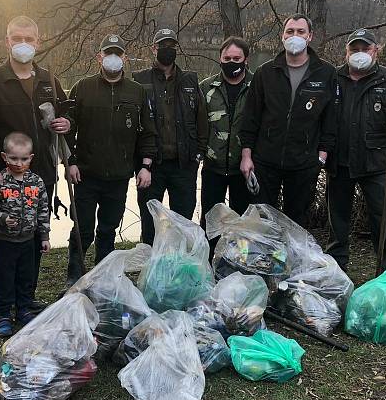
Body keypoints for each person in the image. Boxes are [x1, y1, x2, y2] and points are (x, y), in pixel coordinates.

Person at [0, 15, 70, 330]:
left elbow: (66, 111)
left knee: (35, 235)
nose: (23, 44)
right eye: (17, 38)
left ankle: (24, 299)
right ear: (7, 41)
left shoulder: (49, 80)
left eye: (29, 39)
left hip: (40, 175)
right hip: (5, 175)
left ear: (38, 42)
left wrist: (66, 122)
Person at [64, 34, 158, 287]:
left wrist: (145, 166)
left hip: (118, 176)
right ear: (100, 57)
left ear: (125, 58)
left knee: (108, 228)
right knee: (82, 228)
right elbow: (68, 129)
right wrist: (70, 161)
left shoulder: (137, 91)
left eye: (118, 53)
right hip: (84, 173)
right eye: (108, 53)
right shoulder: (82, 87)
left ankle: (103, 276)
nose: (113, 58)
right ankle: (74, 275)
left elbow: (147, 132)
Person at [325, 28, 386, 273]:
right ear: (347, 51)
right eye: (355, 49)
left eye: (365, 49)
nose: (359, 54)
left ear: (376, 51)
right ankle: (335, 271)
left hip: (375, 162)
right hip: (339, 162)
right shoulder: (334, 77)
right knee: (337, 221)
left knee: (383, 218)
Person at [238, 14, 337, 228]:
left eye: (300, 32)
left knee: (297, 223)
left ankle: (293, 261)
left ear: (310, 36)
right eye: (290, 31)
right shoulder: (265, 72)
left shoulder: (326, 73)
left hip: (303, 163)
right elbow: (251, 117)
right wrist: (246, 155)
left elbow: (330, 120)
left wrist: (321, 156)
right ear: (282, 37)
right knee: (262, 221)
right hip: (266, 160)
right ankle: (264, 261)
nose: (295, 36)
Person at [133, 28, 208, 244]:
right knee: (149, 222)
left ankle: (181, 267)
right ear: (153, 49)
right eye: (162, 45)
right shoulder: (139, 79)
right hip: (151, 166)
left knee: (183, 220)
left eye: (171, 46)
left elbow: (201, 118)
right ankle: (149, 266)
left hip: (183, 165)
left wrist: (199, 154)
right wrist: (138, 162)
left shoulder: (190, 80)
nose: (167, 49)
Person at [0, 132, 51, 337]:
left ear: (31, 158)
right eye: (13, 158)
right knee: (4, 279)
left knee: (26, 277)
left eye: (23, 159)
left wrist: (45, 236)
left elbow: (43, 210)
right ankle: (3, 315)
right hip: (4, 242)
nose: (19, 163)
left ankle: (23, 309)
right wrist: (3, 219)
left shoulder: (37, 182)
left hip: (28, 241)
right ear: (4, 157)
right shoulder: (0, 181)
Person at [199, 36, 253, 230]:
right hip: (213, 167)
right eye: (227, 58)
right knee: (211, 223)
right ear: (220, 58)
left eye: (236, 59)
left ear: (246, 59)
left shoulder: (257, 86)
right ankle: (209, 258)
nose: (231, 63)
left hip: (245, 169)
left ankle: (238, 260)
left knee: (243, 224)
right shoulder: (206, 87)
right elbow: (198, 125)